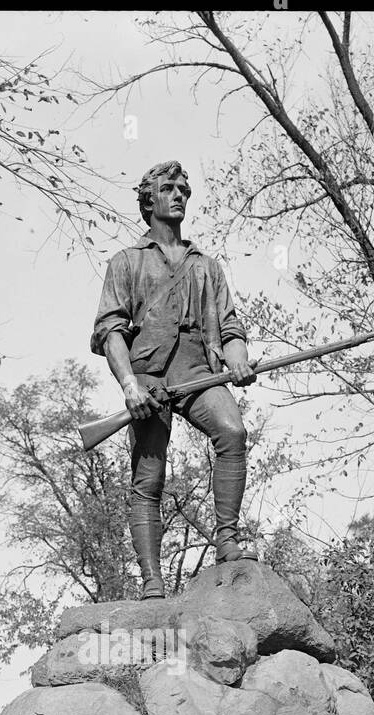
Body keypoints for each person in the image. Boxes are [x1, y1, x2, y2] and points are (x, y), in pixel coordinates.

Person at [91, 159, 258, 599]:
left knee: (233, 431)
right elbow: (110, 331)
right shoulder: (126, 262)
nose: (179, 194)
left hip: (198, 369)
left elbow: (231, 326)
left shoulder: (206, 265)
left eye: (184, 188)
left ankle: (227, 540)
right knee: (149, 479)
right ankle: (151, 581)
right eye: (168, 188)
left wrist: (238, 358)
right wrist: (130, 386)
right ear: (149, 201)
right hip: (148, 376)